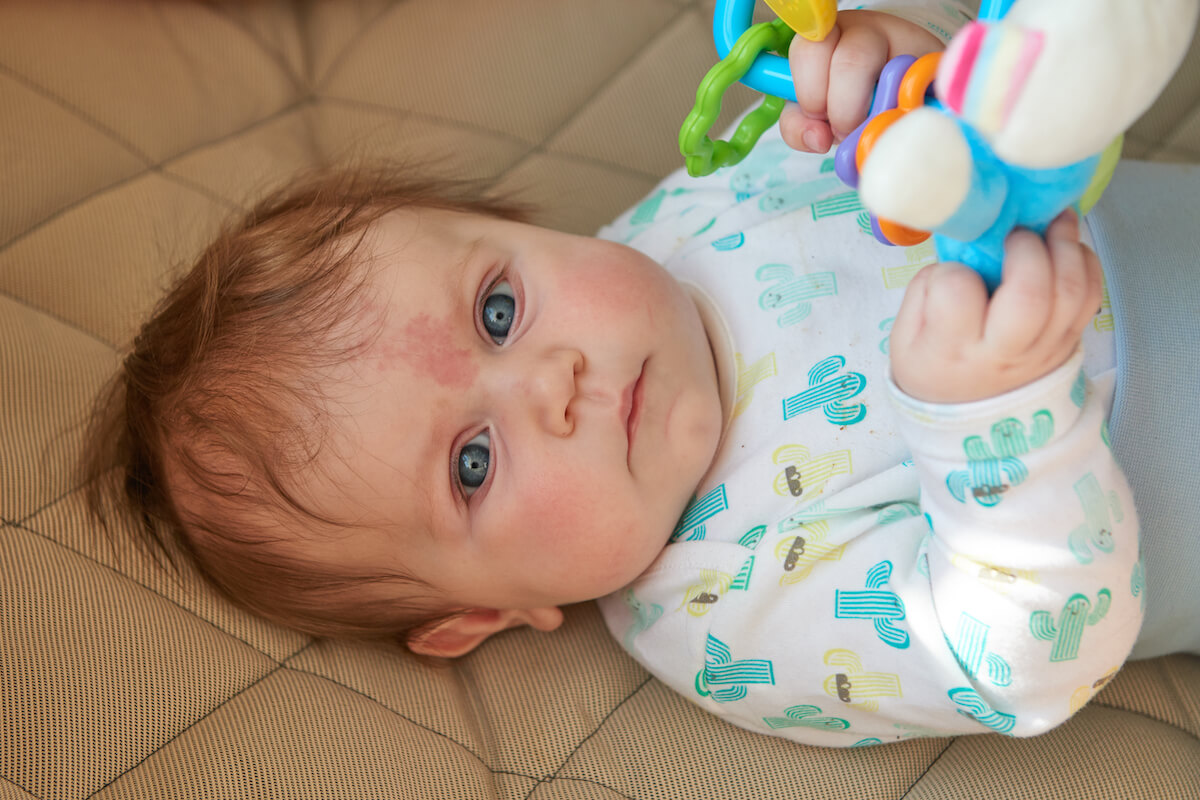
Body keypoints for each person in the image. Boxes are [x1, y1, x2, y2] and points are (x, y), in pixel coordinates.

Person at [82, 3, 1199, 748]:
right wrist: (999, 423)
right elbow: (1020, 662)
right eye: (473, 463)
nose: (551, 382)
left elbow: (982, 130)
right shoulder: (719, 614)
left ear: (521, 227)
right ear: (484, 611)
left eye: (499, 309)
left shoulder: (688, 209)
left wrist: (899, 68)